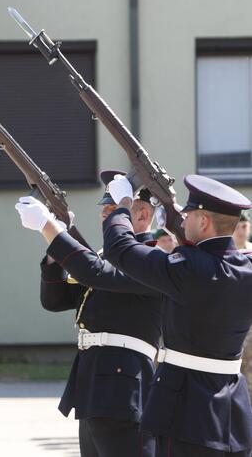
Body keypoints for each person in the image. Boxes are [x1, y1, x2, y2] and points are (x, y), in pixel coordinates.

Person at [102, 173, 252, 456]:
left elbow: (119, 248)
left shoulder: (188, 268)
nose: (182, 221)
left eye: (189, 216)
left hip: (187, 409)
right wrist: (180, 234)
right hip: (232, 411)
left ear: (204, 222)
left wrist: (122, 203)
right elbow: (212, 262)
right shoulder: (245, 268)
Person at [15, 170, 161, 457]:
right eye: (105, 210)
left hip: (123, 386)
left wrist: (51, 229)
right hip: (94, 383)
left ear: (142, 216)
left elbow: (92, 271)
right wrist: (55, 251)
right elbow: (56, 300)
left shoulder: (152, 259)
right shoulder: (106, 260)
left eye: (114, 210)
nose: (105, 217)